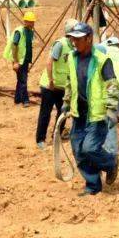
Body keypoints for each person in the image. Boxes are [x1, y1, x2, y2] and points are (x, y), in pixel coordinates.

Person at [62, 22, 119, 195]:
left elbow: (112, 84)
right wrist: (66, 102)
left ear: (89, 39)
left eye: (78, 39)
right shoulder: (71, 58)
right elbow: (69, 82)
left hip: (97, 114)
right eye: (72, 39)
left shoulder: (101, 60)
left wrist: (111, 109)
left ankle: (111, 163)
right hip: (79, 113)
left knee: (90, 149)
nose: (74, 42)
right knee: (78, 151)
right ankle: (93, 186)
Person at [35, 20, 75, 149]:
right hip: (50, 86)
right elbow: (49, 62)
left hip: (62, 86)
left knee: (63, 111)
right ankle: (40, 139)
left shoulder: (73, 46)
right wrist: (51, 80)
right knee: (45, 112)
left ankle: (56, 134)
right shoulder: (60, 44)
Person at [3, 11, 36, 106]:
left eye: (33, 21)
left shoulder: (30, 32)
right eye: (30, 21)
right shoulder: (19, 31)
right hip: (19, 60)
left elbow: (27, 46)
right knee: (23, 80)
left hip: (25, 60)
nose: (32, 23)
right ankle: (25, 100)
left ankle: (17, 99)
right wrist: (15, 62)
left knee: (20, 79)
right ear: (25, 21)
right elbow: (14, 46)